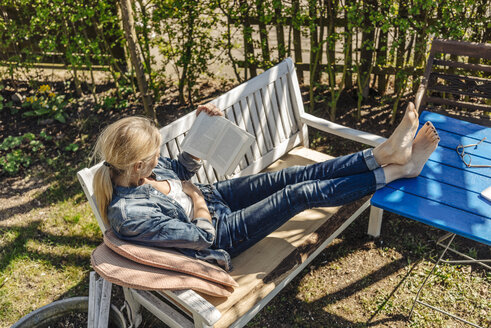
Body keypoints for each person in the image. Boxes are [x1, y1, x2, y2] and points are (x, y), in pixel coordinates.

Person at [92, 103, 439, 271]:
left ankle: (385, 154)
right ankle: (398, 171)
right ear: (137, 165)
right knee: (298, 195)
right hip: (222, 232)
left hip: (217, 197)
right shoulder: (129, 213)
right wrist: (196, 197)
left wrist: (204, 129)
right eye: (154, 154)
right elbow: (202, 238)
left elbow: (180, 169)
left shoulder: (142, 171)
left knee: (291, 176)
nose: (159, 158)